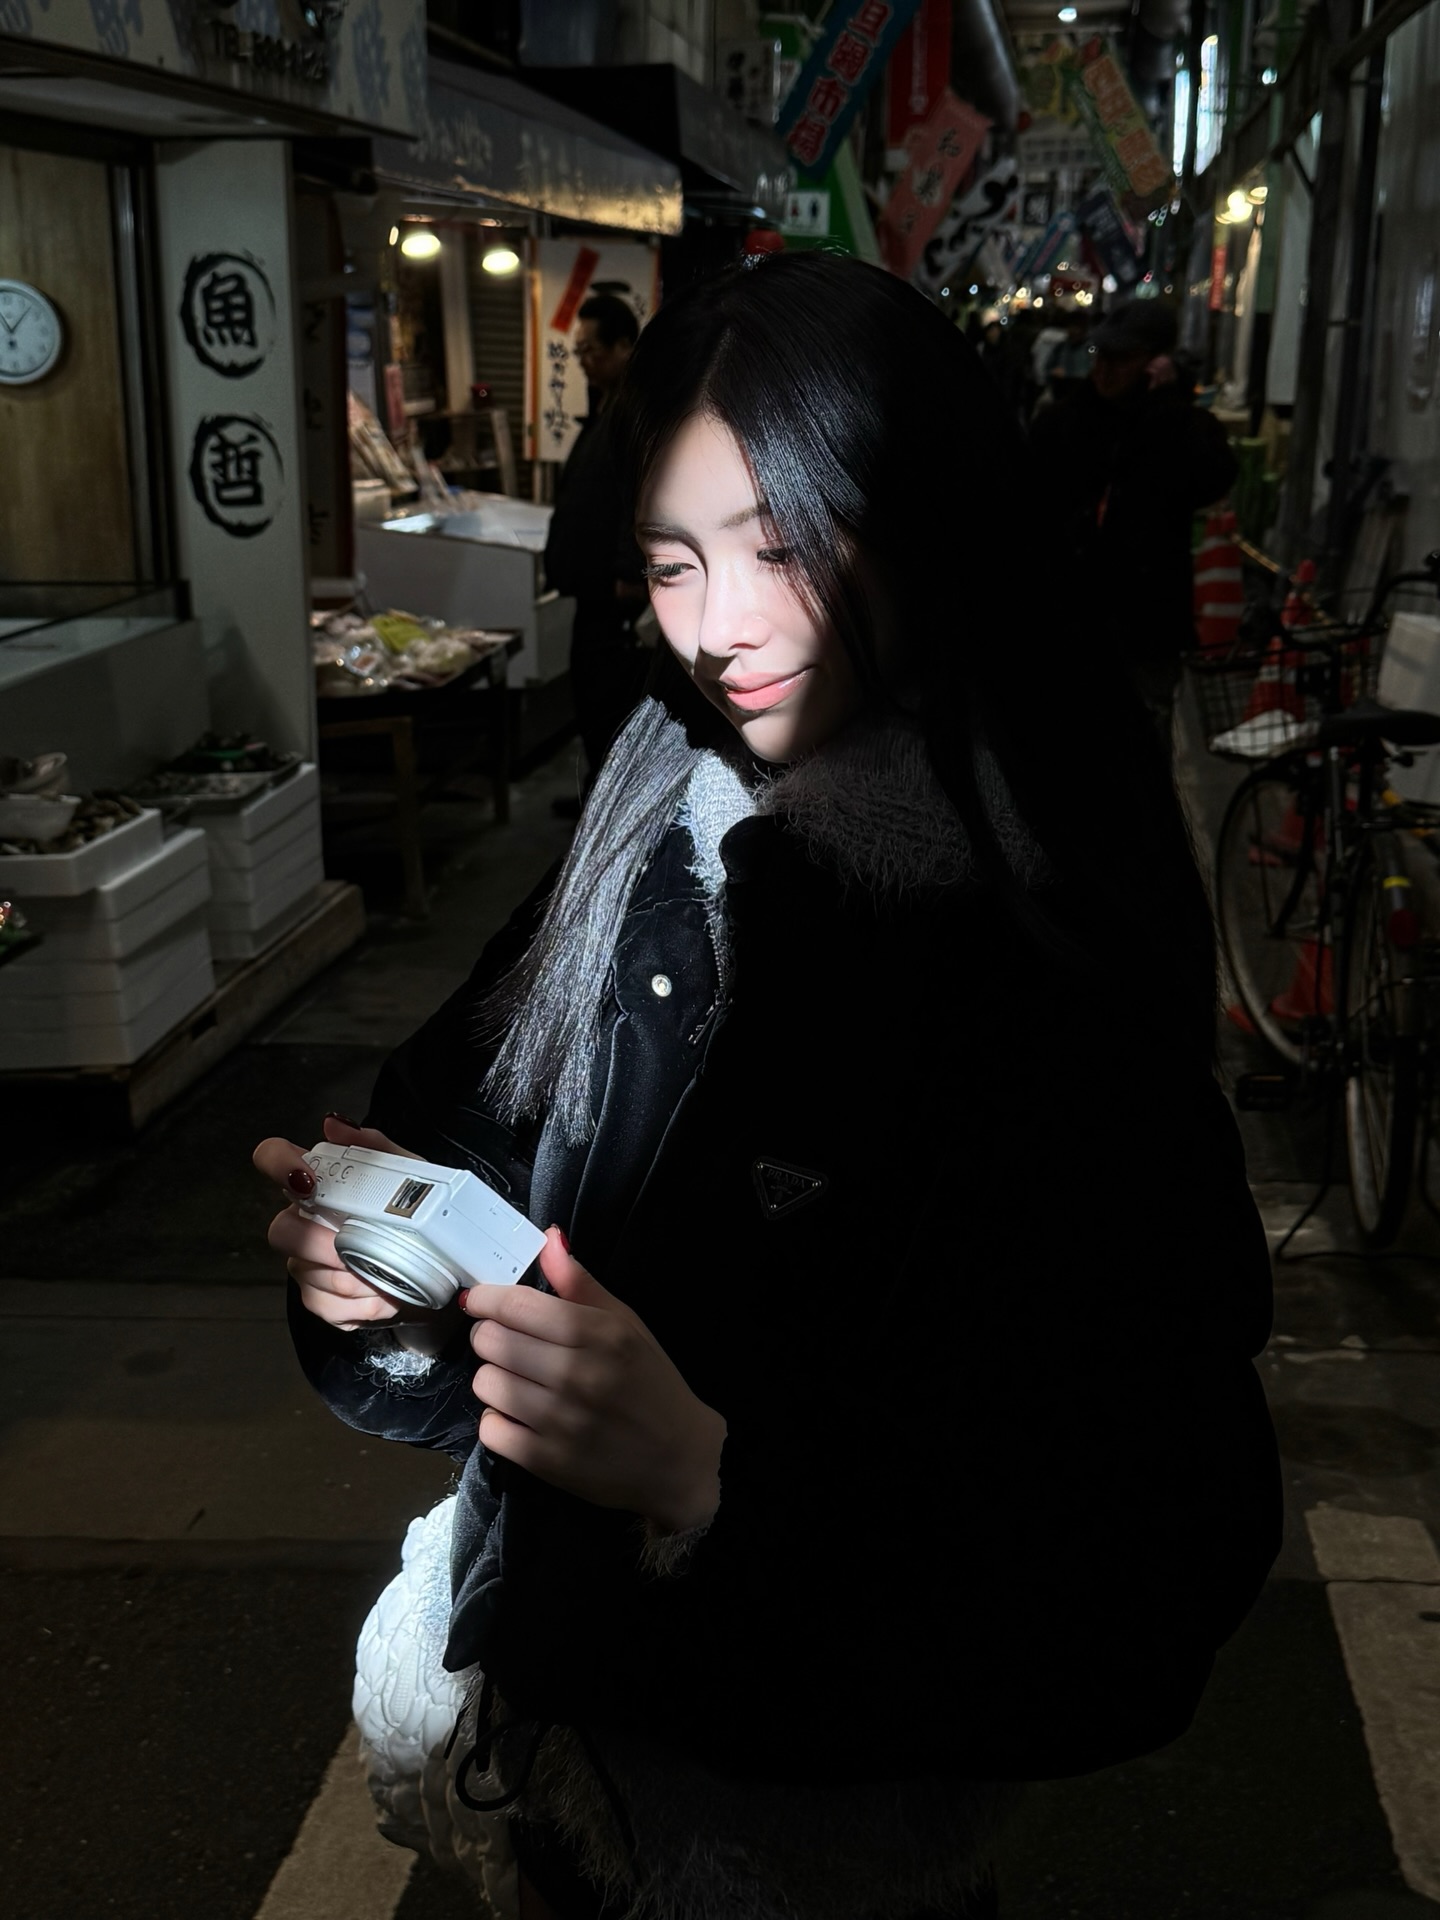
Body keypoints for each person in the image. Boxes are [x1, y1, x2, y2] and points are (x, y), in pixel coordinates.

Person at [255, 254, 1280, 1920]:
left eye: (783, 547)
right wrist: (382, 1281)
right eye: (672, 563)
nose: (718, 626)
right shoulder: (646, 816)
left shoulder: (1040, 932)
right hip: (557, 1774)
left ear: (925, 528)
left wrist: (710, 1485)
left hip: (826, 1854)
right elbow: (464, 1136)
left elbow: (1150, 1564)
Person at [1028, 298, 1238, 746]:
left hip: (1147, 625)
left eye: (1122, 360)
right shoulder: (1065, 421)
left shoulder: (1175, 424)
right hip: (1069, 621)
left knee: (1142, 752)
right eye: (1101, 356)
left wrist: (1169, 401)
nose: (1105, 370)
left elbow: (1212, 477)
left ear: (1155, 363)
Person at [543, 293, 649, 809]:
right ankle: (597, 802)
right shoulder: (604, 407)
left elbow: (641, 494)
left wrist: (630, 573)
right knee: (589, 699)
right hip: (591, 587)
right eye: (579, 350)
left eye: (592, 350)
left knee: (610, 704)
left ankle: (612, 813)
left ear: (625, 346)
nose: (584, 360)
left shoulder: (639, 414)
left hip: (616, 595)